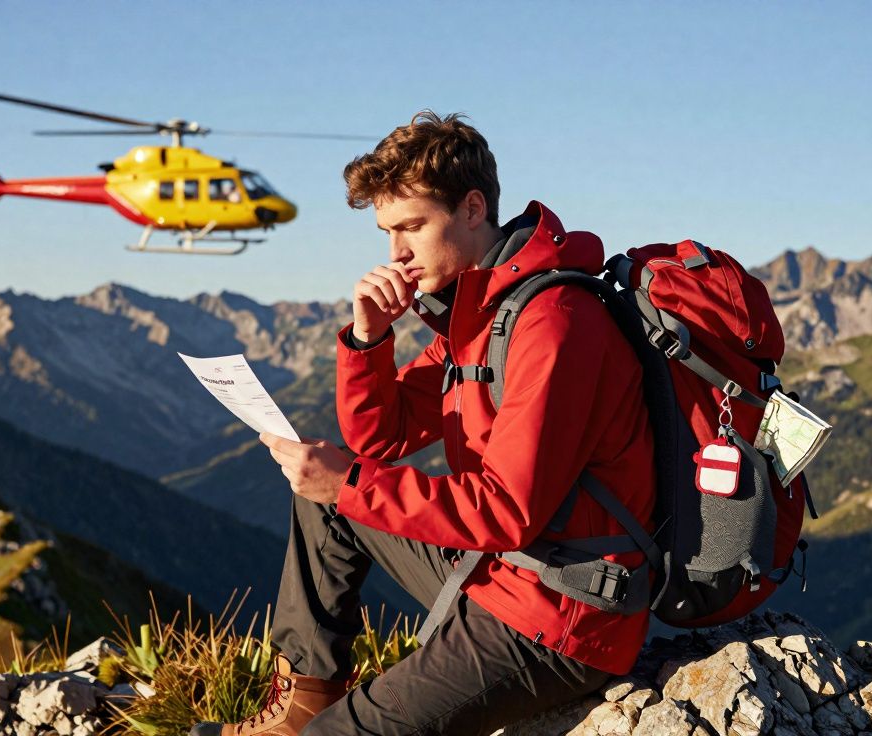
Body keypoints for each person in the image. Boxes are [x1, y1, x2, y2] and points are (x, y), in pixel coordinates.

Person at [191, 111, 656, 736]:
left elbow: (504, 511)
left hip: (561, 610)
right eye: (387, 232)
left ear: (471, 208)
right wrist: (368, 339)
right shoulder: (482, 315)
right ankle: (303, 701)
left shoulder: (553, 323)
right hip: (505, 570)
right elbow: (379, 440)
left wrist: (349, 483)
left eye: (412, 226)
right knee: (324, 501)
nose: (397, 253)